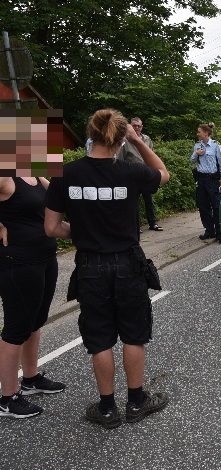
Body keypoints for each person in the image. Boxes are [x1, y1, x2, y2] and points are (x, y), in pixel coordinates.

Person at [44, 108, 170, 428]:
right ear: (120, 135)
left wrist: (83, 231)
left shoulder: (64, 174)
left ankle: (107, 409)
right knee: (133, 335)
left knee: (99, 338)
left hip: (89, 266)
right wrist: (137, 141)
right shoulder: (131, 172)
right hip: (128, 263)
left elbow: (52, 228)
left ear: (91, 133)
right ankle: (137, 401)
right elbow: (163, 173)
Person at [0, 177, 66, 418]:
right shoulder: (6, 177)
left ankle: (30, 378)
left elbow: (62, 194)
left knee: (36, 321)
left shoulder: (36, 173)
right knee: (16, 328)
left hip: (45, 258)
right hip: (17, 263)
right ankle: (8, 398)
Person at [122, 117, 162, 232]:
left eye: (139, 126)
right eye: (134, 126)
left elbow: (151, 154)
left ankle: (153, 223)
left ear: (142, 127)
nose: (137, 128)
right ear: (130, 126)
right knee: (134, 202)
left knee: (149, 200)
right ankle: (136, 226)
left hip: (146, 173)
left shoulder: (147, 139)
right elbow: (122, 158)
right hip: (132, 174)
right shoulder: (125, 140)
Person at [191, 123, 221, 244]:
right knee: (203, 206)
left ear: (206, 133)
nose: (197, 134)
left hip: (212, 180)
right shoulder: (197, 145)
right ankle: (209, 230)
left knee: (216, 206)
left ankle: (220, 233)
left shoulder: (216, 145)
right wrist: (197, 153)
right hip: (201, 179)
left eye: (199, 131)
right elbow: (192, 160)